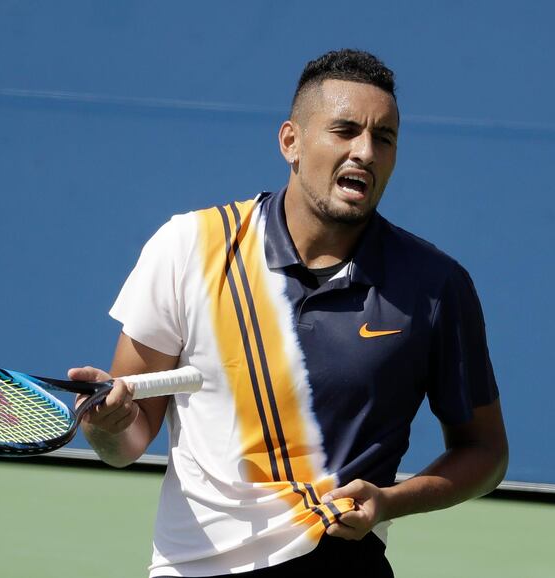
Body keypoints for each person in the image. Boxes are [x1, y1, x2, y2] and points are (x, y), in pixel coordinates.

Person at [69, 49, 508, 577]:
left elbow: (484, 452)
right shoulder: (189, 246)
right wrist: (107, 426)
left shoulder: (436, 286)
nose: (365, 151)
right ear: (291, 142)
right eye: (345, 131)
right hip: (193, 566)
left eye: (384, 137)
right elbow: (127, 442)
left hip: (341, 561)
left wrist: (390, 501)